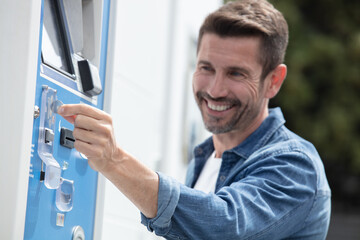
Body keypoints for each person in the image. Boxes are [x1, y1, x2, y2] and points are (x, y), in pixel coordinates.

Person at [58, 0, 331, 239]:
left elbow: (223, 228)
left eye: (236, 74)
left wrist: (113, 159)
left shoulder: (296, 165)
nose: (214, 89)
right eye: (206, 68)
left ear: (273, 81)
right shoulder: (206, 156)